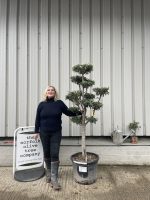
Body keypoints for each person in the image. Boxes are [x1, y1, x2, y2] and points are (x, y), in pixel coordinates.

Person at [34, 86, 82, 190]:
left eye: (52, 90)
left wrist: (80, 112)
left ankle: (54, 179)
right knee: (46, 153)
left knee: (54, 154)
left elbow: (69, 112)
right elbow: (37, 118)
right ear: (45, 93)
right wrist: (36, 131)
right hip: (44, 133)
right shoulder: (41, 105)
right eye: (48, 90)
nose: (50, 91)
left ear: (55, 93)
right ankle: (49, 174)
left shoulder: (59, 103)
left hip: (56, 133)